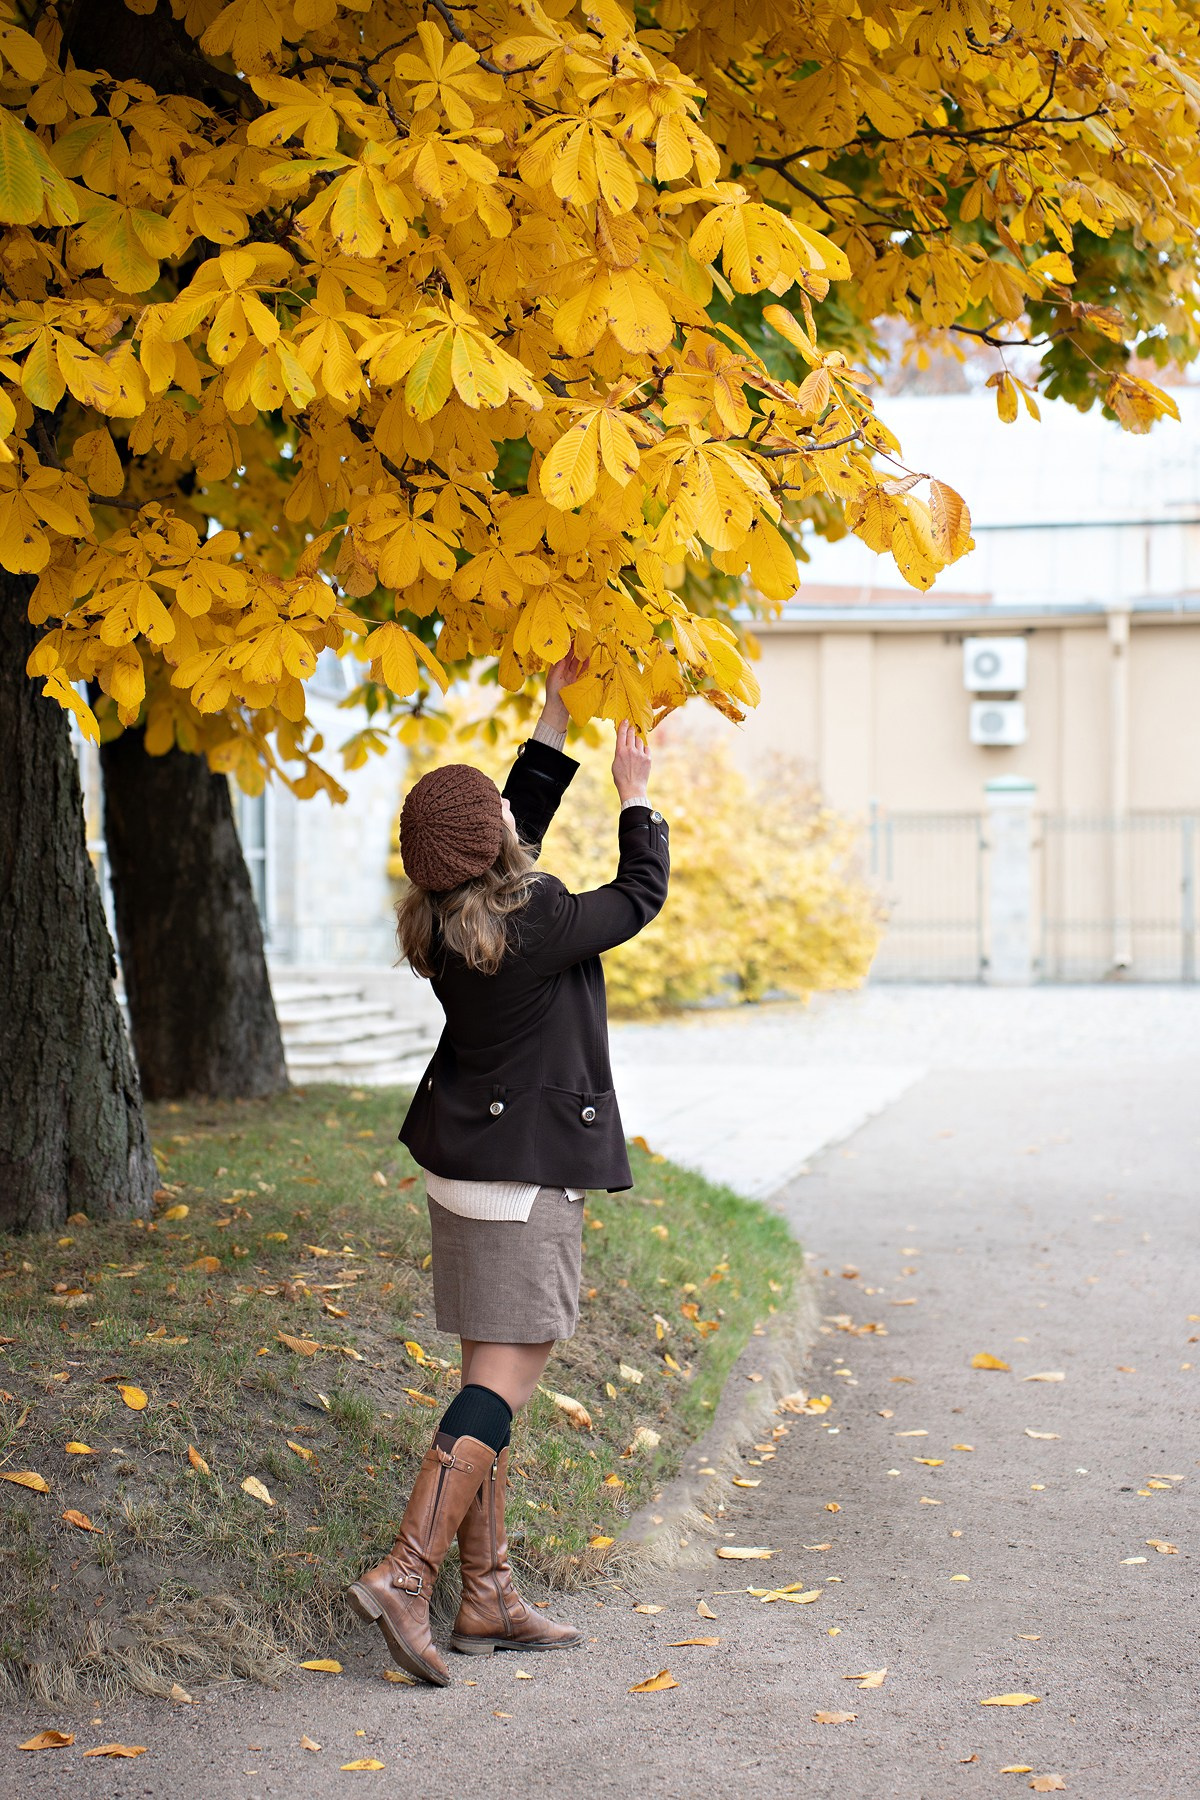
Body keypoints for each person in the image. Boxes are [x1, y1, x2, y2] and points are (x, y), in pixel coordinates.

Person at [346, 652, 671, 1686]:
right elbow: (640, 895)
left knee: (486, 1386)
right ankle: (407, 1572)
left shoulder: (443, 917)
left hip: (464, 1169)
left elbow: (507, 825)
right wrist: (637, 796)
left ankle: (485, 1595)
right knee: (499, 1384)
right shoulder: (536, 925)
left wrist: (556, 713)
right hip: (525, 1181)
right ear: (494, 849)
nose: (505, 816)